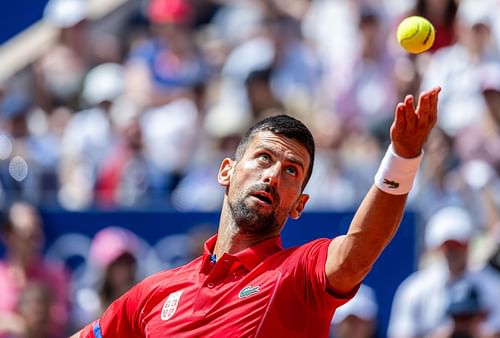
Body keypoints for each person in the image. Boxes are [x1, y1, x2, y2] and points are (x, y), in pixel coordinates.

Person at [72, 86, 441, 337]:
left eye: (291, 171)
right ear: (226, 171)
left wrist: (403, 157)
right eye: (263, 157)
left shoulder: (298, 275)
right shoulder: (152, 294)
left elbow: (361, 248)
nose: (273, 175)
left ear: (300, 205)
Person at [0, 202, 71, 337]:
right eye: (26, 235)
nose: (34, 242)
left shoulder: (56, 276)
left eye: (37, 234)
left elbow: (61, 320)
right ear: (8, 235)